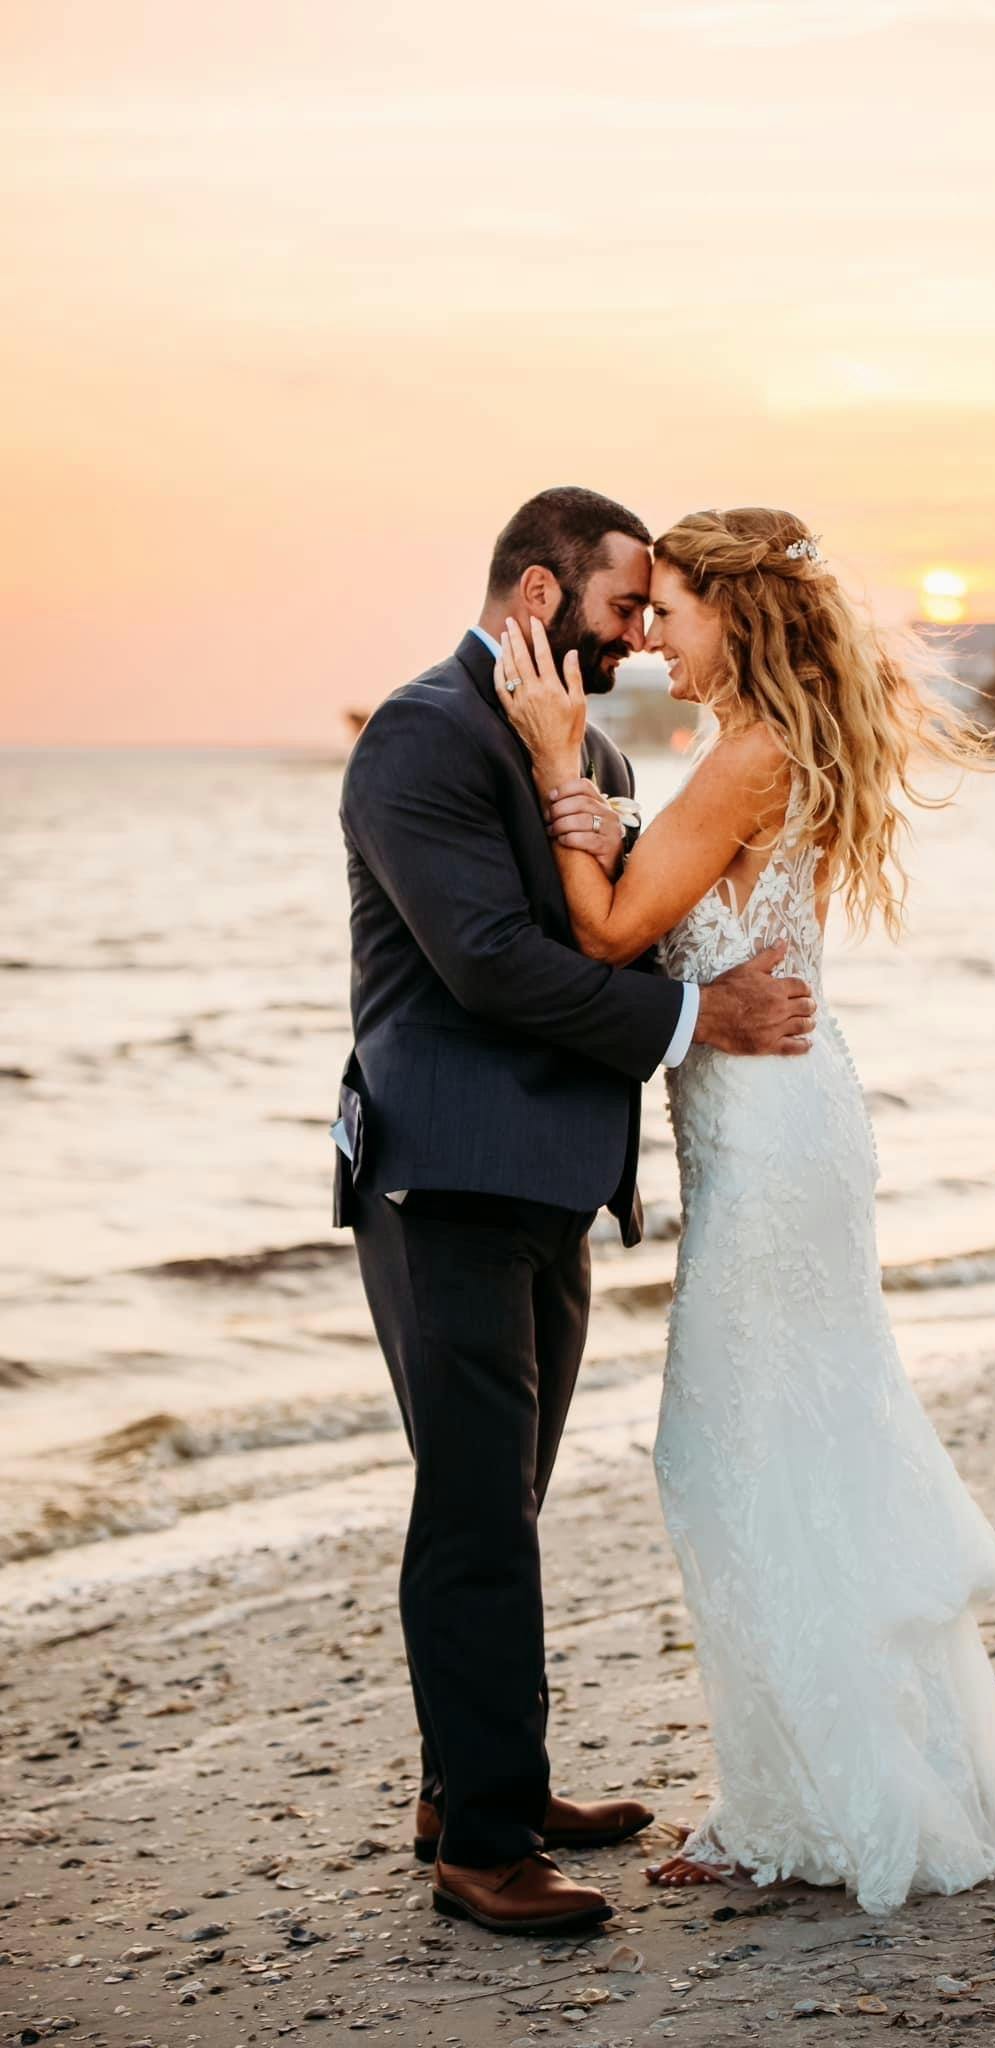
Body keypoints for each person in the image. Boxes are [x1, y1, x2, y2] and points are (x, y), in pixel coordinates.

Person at [498, 505, 995, 1916]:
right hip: (791, 1132)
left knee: (724, 1456)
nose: (648, 637)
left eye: (669, 611)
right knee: (796, 1444)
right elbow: (685, 890)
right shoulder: (753, 755)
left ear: (731, 617)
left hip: (776, 1146)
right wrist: (615, 820)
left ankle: (794, 1808)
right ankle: (831, 1783)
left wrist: (564, 771)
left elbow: (615, 934)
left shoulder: (743, 755)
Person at [334, 487, 816, 1935]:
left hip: (547, 1182)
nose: (637, 636)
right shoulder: (421, 735)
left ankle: (481, 1780)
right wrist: (692, 1020)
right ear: (542, 596)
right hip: (447, 1174)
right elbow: (485, 963)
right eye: (623, 608)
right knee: (475, 1509)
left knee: (508, 1497)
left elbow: (607, 914)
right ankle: (480, 1847)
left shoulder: (584, 746)